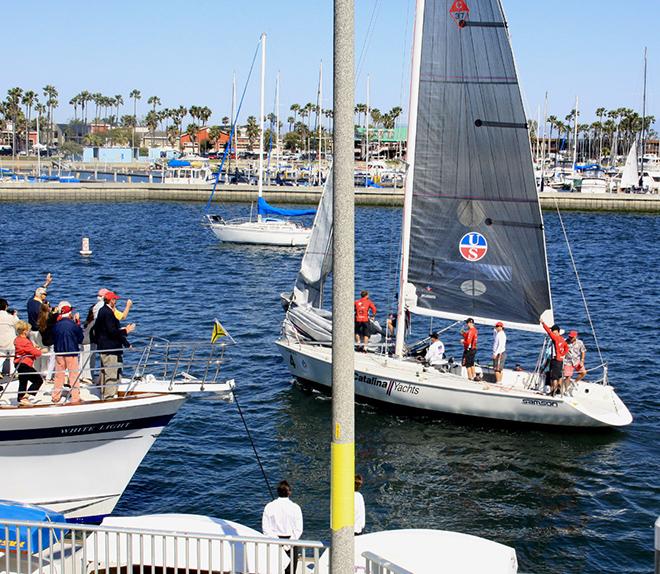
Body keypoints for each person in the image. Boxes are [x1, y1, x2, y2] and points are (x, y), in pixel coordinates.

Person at [91, 291, 135, 399]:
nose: (116, 302)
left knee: (108, 372)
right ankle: (108, 397)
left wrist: (126, 343)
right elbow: (112, 332)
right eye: (115, 300)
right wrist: (126, 331)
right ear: (111, 301)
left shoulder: (103, 311)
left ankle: (106, 394)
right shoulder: (108, 313)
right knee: (110, 373)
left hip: (106, 347)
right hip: (110, 349)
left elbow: (97, 330)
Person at [262, 480, 303, 574]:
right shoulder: (296, 507)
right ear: (289, 492)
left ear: (278, 492)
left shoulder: (269, 506)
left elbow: (266, 529)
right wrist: (287, 545)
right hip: (292, 542)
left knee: (274, 569)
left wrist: (278, 543)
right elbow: (298, 529)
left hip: (274, 542)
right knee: (290, 571)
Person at [52, 301, 84, 404]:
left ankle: (55, 396)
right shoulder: (73, 325)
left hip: (59, 352)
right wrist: (78, 323)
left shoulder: (56, 325)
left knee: (58, 375)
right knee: (73, 375)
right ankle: (75, 397)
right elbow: (81, 338)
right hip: (71, 352)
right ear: (69, 313)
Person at [13, 320, 43, 406]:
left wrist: (32, 348)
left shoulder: (17, 339)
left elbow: (25, 350)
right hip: (24, 364)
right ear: (24, 331)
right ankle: (25, 397)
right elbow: (37, 353)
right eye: (28, 330)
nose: (29, 331)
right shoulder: (25, 341)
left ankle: (20, 397)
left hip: (19, 363)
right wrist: (38, 350)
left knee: (23, 381)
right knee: (38, 380)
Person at [541, 320, 569, 396]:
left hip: (555, 360)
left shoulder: (555, 338)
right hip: (560, 361)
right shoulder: (562, 339)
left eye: (554, 331)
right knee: (559, 375)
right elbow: (567, 348)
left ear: (557, 332)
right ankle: (559, 390)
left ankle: (553, 390)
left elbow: (548, 332)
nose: (553, 333)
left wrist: (543, 323)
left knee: (554, 377)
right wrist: (562, 354)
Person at [0, 299, 19, 378]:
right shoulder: (10, 317)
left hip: (0, 340)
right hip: (10, 340)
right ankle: (12, 372)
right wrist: (15, 315)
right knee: (12, 356)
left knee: (1, 356)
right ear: (6, 306)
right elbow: (18, 324)